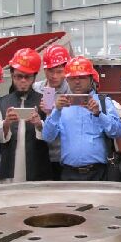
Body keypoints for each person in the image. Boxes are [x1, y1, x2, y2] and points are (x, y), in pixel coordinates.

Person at [42, 56, 121, 181]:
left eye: (82, 77)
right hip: (69, 174)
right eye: (73, 78)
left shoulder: (103, 102)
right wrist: (56, 111)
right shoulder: (61, 106)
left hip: (98, 173)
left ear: (91, 79)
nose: (77, 82)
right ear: (67, 80)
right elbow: (47, 136)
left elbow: (117, 132)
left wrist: (99, 114)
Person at [0, 48, 51, 183]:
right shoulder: (1, 101)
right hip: (9, 167)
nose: (23, 81)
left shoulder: (46, 99)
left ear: (34, 77)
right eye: (18, 76)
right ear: (12, 75)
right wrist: (6, 124)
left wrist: (39, 124)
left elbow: (53, 135)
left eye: (27, 77)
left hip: (38, 168)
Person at [34, 44, 72, 180]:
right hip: (41, 155)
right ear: (44, 70)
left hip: (65, 156)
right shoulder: (36, 88)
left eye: (59, 71)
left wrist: (53, 111)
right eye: (50, 71)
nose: (54, 76)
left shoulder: (72, 91)